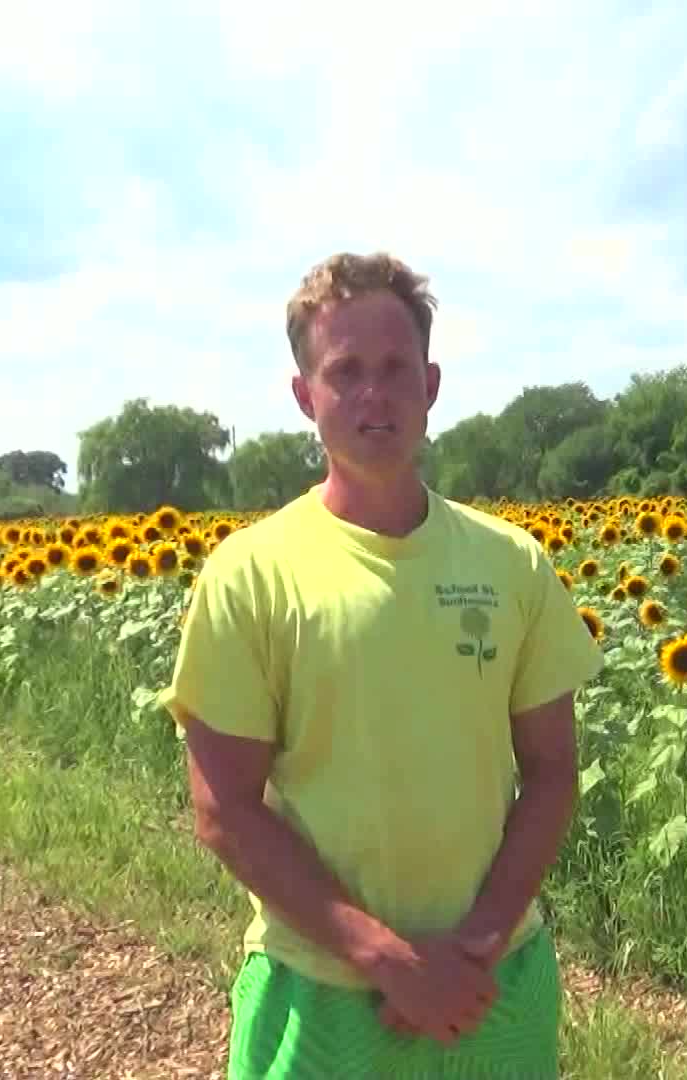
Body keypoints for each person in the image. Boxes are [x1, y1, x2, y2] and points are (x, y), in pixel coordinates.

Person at [158, 251, 605, 1078]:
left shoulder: (513, 565)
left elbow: (550, 772)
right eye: (346, 370)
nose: (375, 392)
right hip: (322, 991)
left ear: (431, 386)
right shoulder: (251, 574)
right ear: (305, 396)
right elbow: (224, 808)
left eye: (397, 368)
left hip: (492, 983)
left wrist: (470, 950)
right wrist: (386, 959)